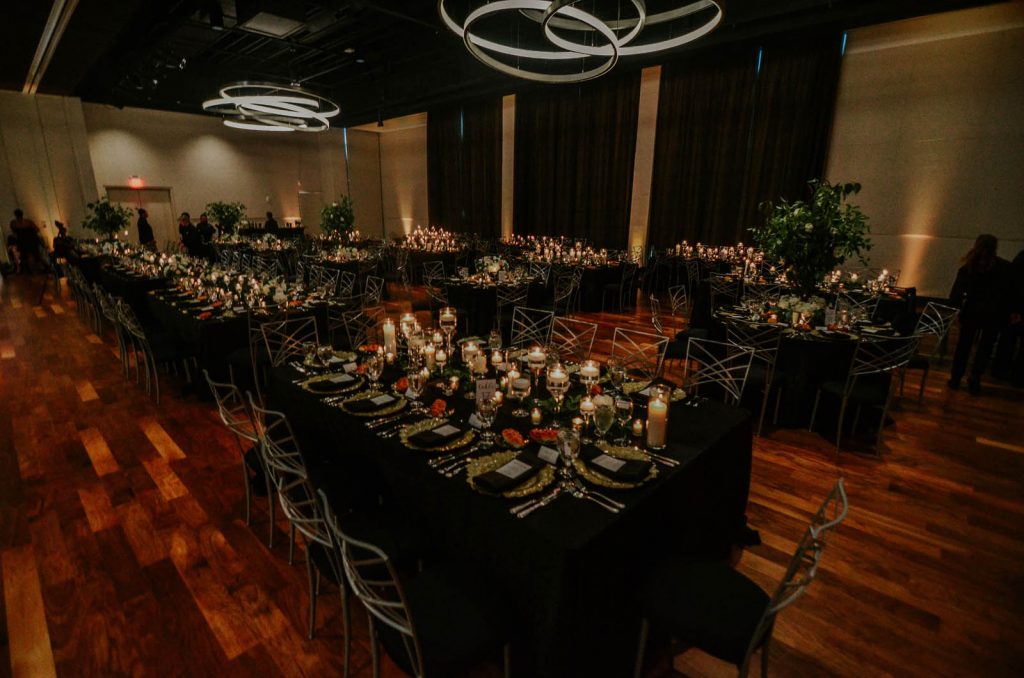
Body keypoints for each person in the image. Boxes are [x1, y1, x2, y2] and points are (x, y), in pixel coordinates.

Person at [948, 234, 1013, 393]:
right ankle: (975, 378)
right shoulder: (1004, 268)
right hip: (994, 313)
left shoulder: (968, 267)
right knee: (985, 347)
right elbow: (1011, 292)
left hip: (971, 311)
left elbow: (956, 294)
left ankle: (956, 378)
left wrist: (957, 311)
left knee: (964, 346)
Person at [993, 249, 1024, 386]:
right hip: (1016, 307)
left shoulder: (1020, 258)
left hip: (1012, 307)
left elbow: (1013, 284)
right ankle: (1017, 376)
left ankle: (1000, 370)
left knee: (1007, 341)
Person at [10, 208, 41, 273]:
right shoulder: (28, 222)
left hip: (23, 242)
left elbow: (14, 233)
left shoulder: (14, 223)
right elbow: (37, 229)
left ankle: (30, 270)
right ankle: (34, 270)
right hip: (30, 241)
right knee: (32, 256)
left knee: (27, 257)